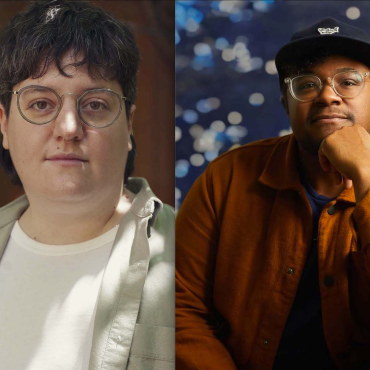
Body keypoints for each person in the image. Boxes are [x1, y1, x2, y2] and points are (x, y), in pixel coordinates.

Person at [176, 17, 370, 370]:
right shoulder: (227, 177)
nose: (328, 95)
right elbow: (178, 305)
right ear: (285, 103)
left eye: (348, 82)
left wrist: (365, 175)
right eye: (307, 85)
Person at [0, 1, 174, 370]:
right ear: (3, 125)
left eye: (95, 104)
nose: (68, 128)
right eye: (41, 103)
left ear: (128, 125)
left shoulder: (193, 252)